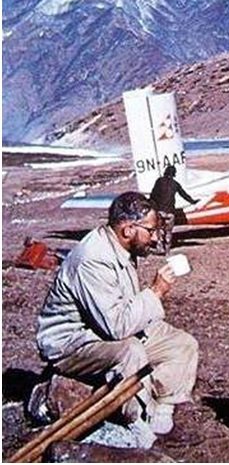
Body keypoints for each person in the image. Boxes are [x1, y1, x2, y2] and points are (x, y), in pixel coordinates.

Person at [36, 192, 201, 448]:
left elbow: (122, 312)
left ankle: (161, 418)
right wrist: (156, 291)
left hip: (103, 330)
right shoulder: (93, 259)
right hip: (70, 343)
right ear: (128, 229)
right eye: (151, 230)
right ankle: (137, 425)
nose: (156, 237)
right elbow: (117, 327)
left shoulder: (121, 247)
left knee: (181, 344)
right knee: (131, 351)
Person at [149, 165, 199, 254]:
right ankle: (167, 250)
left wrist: (150, 203)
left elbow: (153, 195)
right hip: (170, 212)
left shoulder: (159, 181)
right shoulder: (175, 184)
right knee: (168, 231)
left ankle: (160, 247)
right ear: (174, 174)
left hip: (160, 211)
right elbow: (184, 195)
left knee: (160, 230)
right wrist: (193, 201)